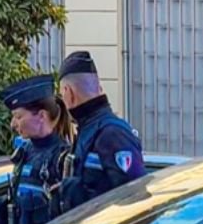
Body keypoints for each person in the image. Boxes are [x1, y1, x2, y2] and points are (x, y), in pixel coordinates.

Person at [0, 73, 78, 224]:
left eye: (18, 117)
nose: (13, 124)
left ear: (41, 116)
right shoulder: (24, 151)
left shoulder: (62, 157)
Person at [56, 50, 147, 210]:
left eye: (61, 95)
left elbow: (135, 200)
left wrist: (78, 195)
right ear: (99, 87)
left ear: (68, 93)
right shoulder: (88, 130)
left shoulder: (112, 133)